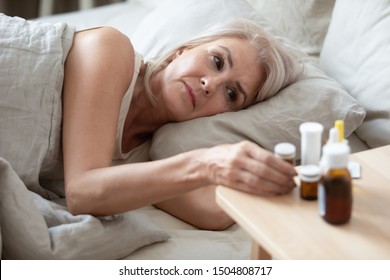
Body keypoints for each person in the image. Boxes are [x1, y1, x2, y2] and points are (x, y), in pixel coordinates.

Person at [10, 18, 302, 230]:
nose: (209, 84)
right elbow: (82, 193)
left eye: (231, 94)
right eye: (216, 61)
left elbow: (213, 212)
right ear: (183, 51)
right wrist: (207, 163)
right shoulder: (111, 49)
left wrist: (296, 176)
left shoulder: (147, 155)